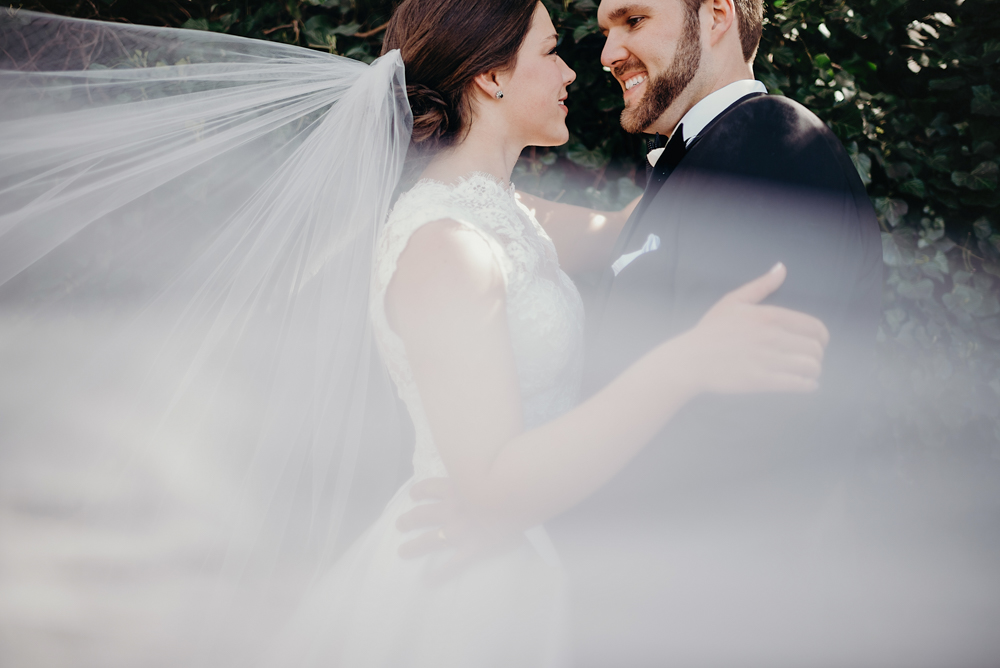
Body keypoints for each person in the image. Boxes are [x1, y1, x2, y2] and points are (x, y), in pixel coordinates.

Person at [0, 1, 828, 666]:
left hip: (538, 560)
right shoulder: (446, 248)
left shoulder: (504, 217)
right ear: (494, 78)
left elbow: (640, 232)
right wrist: (682, 363)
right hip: (467, 583)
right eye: (549, 51)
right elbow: (491, 484)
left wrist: (721, 130)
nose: (574, 68)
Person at [396, 0, 883, 663]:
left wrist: (517, 508)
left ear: (716, 16)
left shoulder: (772, 149)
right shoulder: (696, 166)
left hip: (710, 620)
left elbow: (740, 445)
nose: (603, 56)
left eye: (632, 21)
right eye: (602, 32)